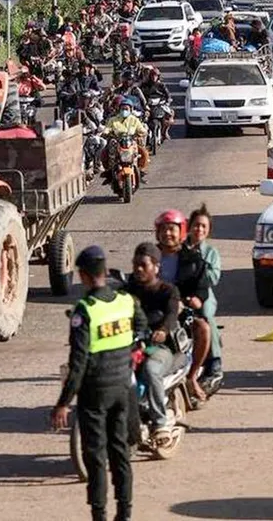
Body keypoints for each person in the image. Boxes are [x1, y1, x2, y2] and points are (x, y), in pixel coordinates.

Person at [51, 246, 145, 521]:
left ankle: (100, 515)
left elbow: (77, 362)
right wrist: (131, 350)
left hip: (95, 392)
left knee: (96, 457)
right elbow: (141, 329)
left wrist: (63, 403)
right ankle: (125, 513)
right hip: (122, 387)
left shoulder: (85, 310)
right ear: (104, 272)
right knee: (120, 453)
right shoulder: (125, 301)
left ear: (83, 275)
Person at [123, 244, 181, 438]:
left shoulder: (168, 291)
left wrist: (163, 330)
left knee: (150, 370)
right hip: (130, 345)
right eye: (135, 265)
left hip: (160, 348)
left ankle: (159, 423)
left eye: (143, 265)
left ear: (156, 267)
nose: (138, 269)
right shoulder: (126, 291)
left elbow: (172, 315)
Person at [153, 211, 211, 403]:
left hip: (182, 311)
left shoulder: (193, 260)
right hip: (152, 311)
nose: (167, 234)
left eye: (171, 229)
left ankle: (192, 376)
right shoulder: (149, 256)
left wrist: (195, 299)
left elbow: (202, 288)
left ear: (181, 232)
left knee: (203, 329)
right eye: (163, 229)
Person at [186, 206, 223, 380]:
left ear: (208, 231)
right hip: (180, 292)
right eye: (196, 225)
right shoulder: (180, 248)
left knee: (207, 316)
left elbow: (213, 278)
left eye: (203, 226)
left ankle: (214, 360)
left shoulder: (211, 253)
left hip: (203, 294)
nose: (199, 229)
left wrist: (198, 267)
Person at [103, 97, 150, 177]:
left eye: (126, 109)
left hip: (131, 140)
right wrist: (106, 133)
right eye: (122, 108)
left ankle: (139, 169)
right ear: (119, 109)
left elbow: (142, 130)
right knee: (109, 147)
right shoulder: (113, 119)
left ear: (130, 110)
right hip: (117, 140)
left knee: (142, 152)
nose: (124, 111)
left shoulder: (134, 120)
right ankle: (110, 169)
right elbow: (107, 128)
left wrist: (142, 133)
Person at [138, 66, 173, 142]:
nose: (154, 77)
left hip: (159, 105)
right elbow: (139, 94)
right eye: (152, 75)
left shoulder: (161, 86)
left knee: (170, 114)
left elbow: (168, 95)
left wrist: (168, 101)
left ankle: (164, 132)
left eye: (156, 76)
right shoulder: (144, 85)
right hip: (147, 105)